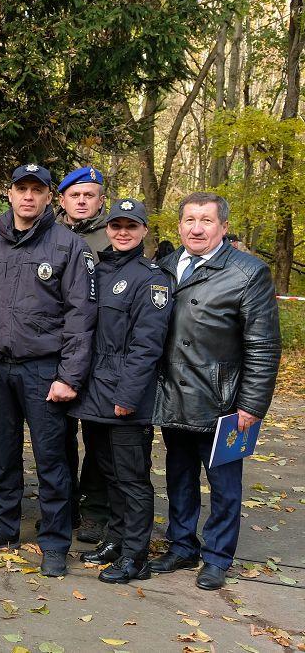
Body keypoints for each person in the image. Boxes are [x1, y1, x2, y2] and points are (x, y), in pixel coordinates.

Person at [0, 163, 96, 578]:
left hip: (44, 369)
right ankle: (4, 525)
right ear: (10, 193)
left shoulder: (68, 245)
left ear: (50, 197)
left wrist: (69, 376)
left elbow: (81, 317)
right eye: (22, 189)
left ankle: (54, 542)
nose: (29, 197)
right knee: (1, 452)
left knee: (52, 460)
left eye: (37, 190)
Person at [151, 192, 280, 590]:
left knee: (224, 485)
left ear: (223, 227)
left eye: (206, 220)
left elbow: (263, 345)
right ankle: (181, 545)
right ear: (179, 226)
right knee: (179, 476)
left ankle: (218, 556)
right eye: (189, 220)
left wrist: (251, 405)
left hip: (223, 402)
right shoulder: (165, 267)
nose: (196, 228)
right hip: (173, 394)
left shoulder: (248, 273)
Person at [68, 199, 171, 584]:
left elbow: (147, 346)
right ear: (107, 228)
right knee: (108, 474)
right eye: (117, 226)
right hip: (95, 392)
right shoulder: (98, 270)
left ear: (144, 231)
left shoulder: (152, 278)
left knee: (131, 479)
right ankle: (116, 539)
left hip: (126, 397)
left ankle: (135, 556)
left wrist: (127, 397)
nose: (123, 232)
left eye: (131, 226)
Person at [55, 166, 111, 544]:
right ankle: (65, 506)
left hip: (101, 350)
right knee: (59, 436)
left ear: (101, 200)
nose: (81, 201)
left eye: (89, 195)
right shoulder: (49, 234)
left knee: (97, 437)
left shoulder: (114, 235)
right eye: (74, 195)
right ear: (62, 200)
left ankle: (94, 510)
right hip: (57, 349)